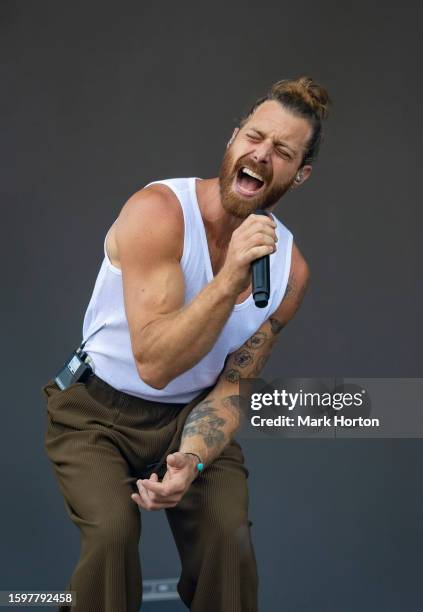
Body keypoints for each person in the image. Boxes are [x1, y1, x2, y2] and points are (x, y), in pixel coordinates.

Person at [41, 75, 331, 612]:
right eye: (254, 137)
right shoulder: (159, 212)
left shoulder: (289, 274)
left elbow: (234, 385)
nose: (262, 155)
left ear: (300, 173)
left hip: (189, 416)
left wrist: (192, 459)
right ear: (232, 139)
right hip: (96, 411)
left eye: (283, 151)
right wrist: (229, 280)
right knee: (110, 538)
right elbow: (154, 362)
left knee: (230, 543)